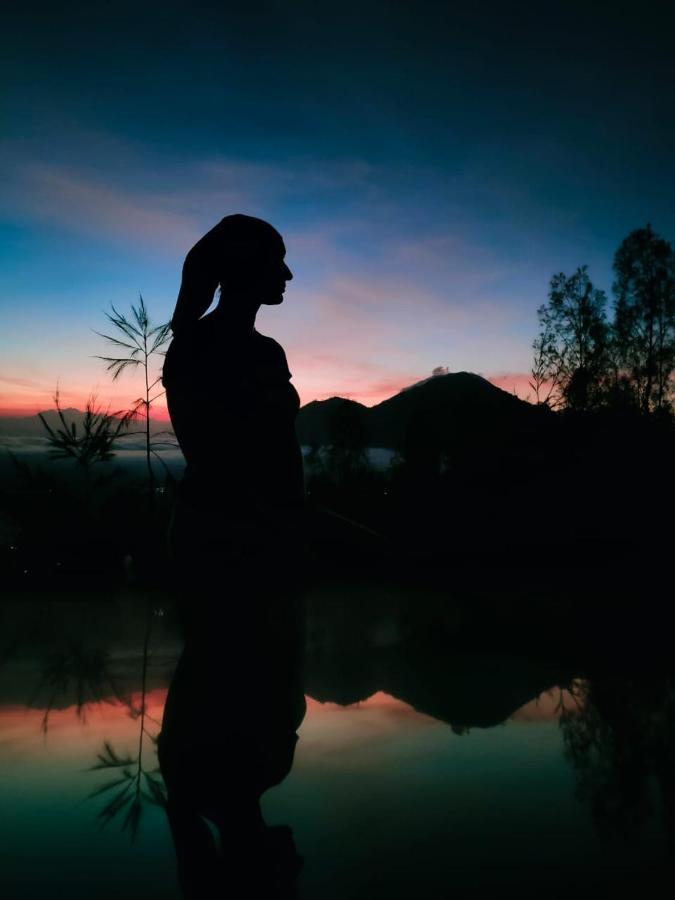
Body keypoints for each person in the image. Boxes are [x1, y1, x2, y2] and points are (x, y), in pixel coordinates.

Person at [158, 214, 307, 896]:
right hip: (228, 544)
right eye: (276, 262)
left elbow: (275, 458)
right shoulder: (195, 348)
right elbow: (221, 452)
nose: (286, 275)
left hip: (262, 542)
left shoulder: (264, 352)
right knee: (228, 667)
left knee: (245, 670)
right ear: (245, 270)